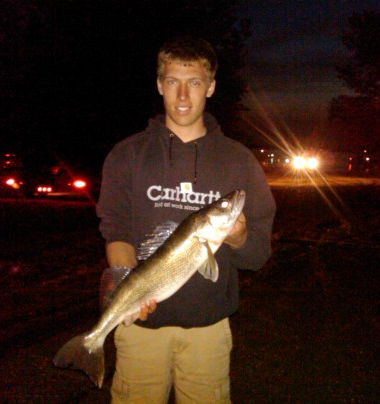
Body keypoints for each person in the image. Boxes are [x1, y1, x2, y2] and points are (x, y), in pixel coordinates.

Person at [96, 35, 276, 403]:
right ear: (159, 84)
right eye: (173, 82)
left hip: (208, 330)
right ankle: (91, 343)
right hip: (141, 327)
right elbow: (115, 229)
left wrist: (238, 238)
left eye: (193, 83)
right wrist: (130, 291)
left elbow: (258, 255)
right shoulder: (126, 155)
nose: (182, 96)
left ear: (210, 87)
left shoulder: (239, 161)